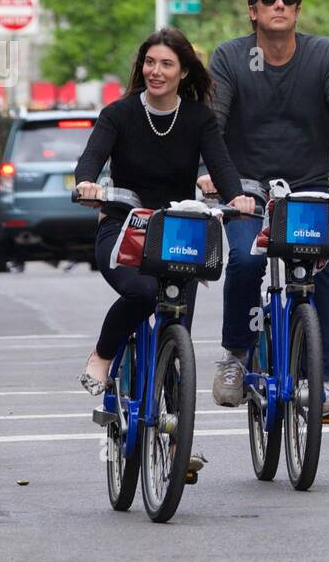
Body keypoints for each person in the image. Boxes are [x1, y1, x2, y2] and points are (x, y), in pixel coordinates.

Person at [198, 0, 329, 415]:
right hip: (244, 187)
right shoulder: (231, 57)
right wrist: (211, 174)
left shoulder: (325, 55)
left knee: (318, 273)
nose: (279, 4)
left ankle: (323, 383)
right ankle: (236, 356)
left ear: (298, 9)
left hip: (307, 187)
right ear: (253, 11)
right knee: (242, 260)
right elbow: (212, 125)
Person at [73, 28, 252, 395]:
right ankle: (103, 354)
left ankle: (177, 443)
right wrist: (87, 184)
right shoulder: (119, 114)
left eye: (166, 64)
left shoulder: (198, 119)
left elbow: (222, 166)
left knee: (176, 331)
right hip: (125, 227)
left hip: (177, 233)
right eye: (150, 62)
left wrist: (237, 198)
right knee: (142, 293)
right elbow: (90, 158)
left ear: (183, 72)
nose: (156, 71)